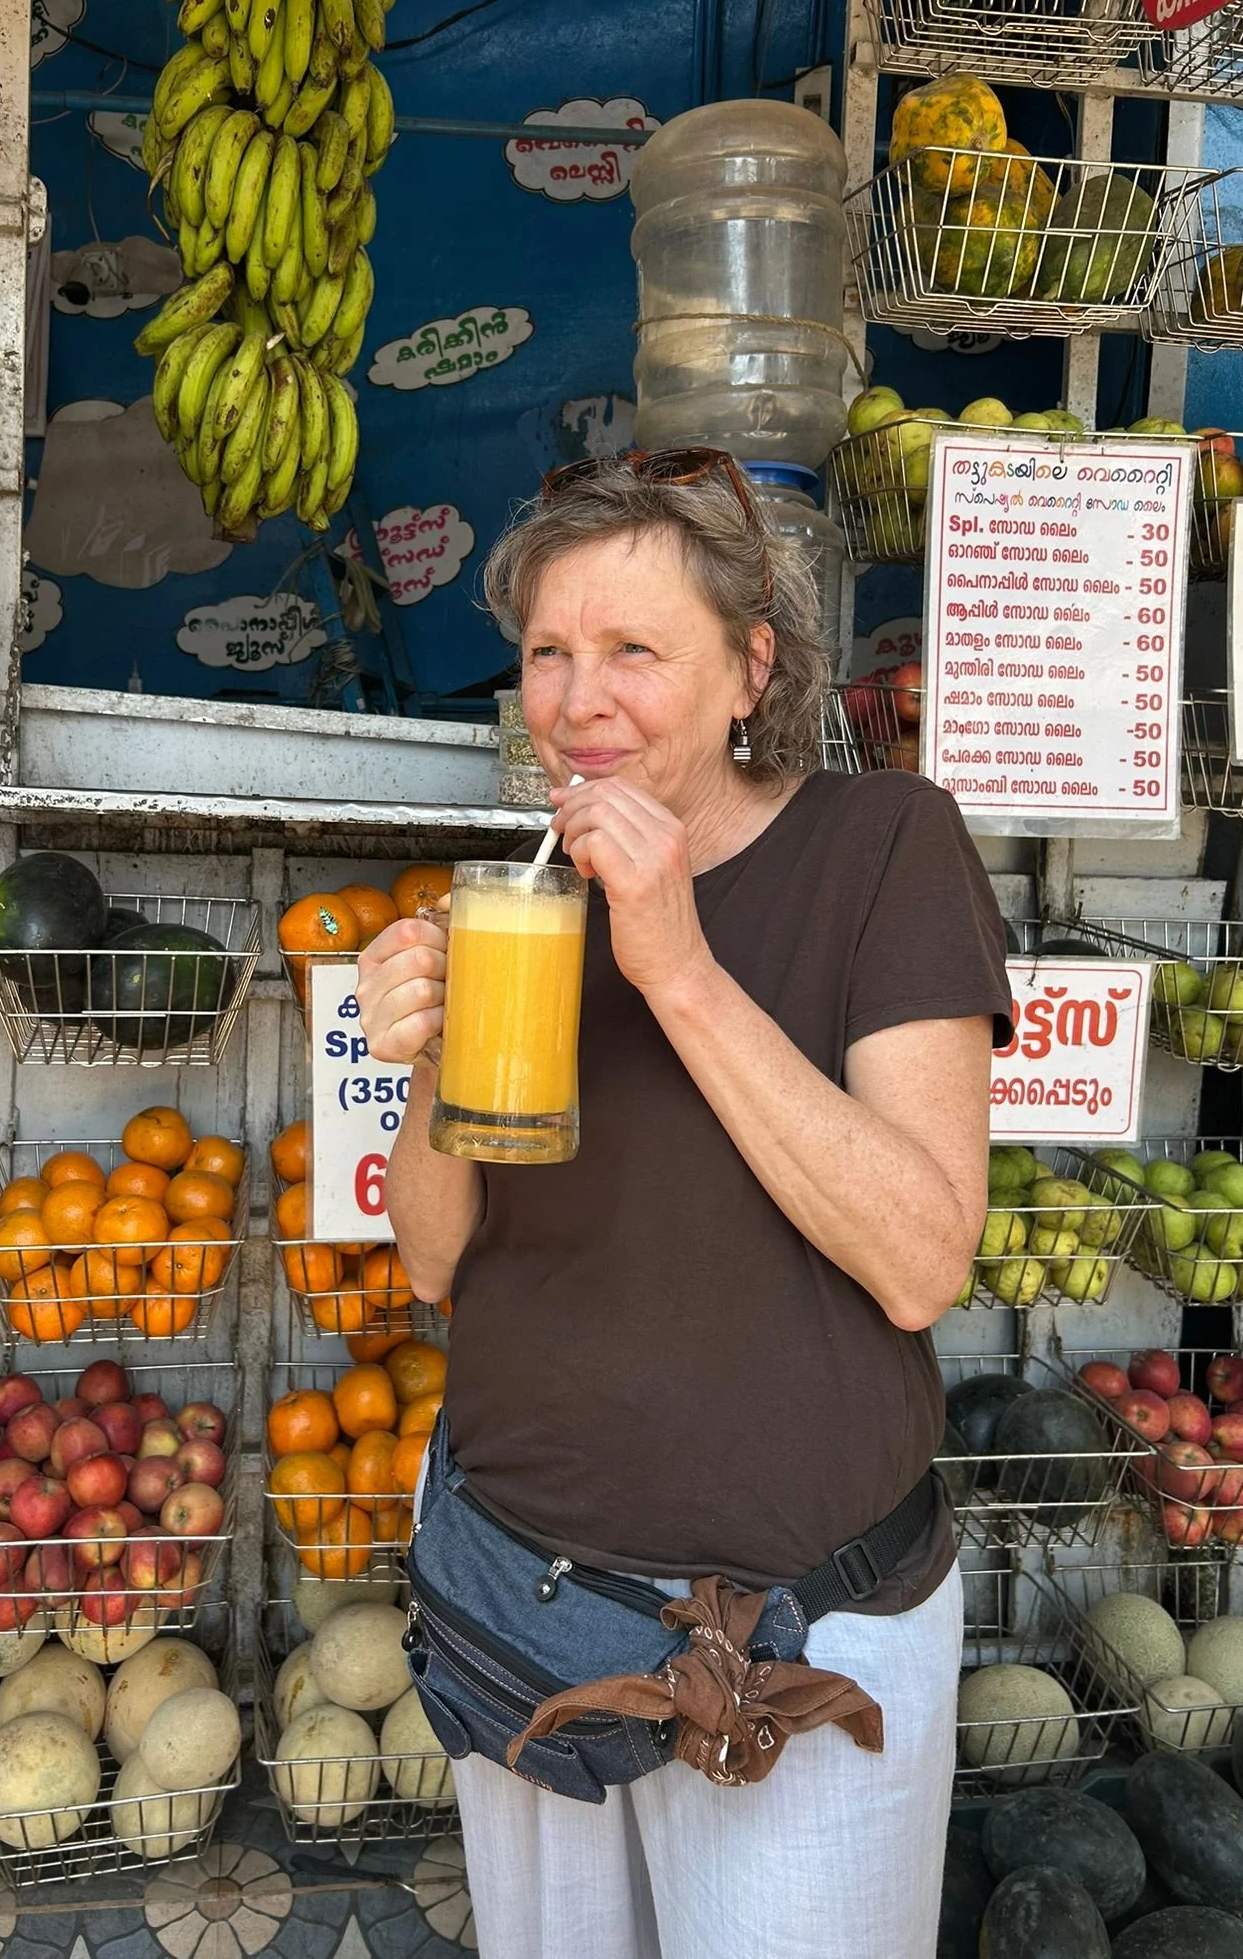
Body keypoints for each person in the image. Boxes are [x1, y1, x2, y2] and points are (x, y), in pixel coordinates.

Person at [355, 449, 1011, 1959]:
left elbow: (920, 1260)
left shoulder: (884, 846)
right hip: (517, 1601)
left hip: (792, 1632)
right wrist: (442, 1050)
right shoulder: (525, 897)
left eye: (636, 652)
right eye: (547, 655)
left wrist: (680, 968)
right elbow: (440, 1259)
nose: (580, 704)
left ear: (747, 672)